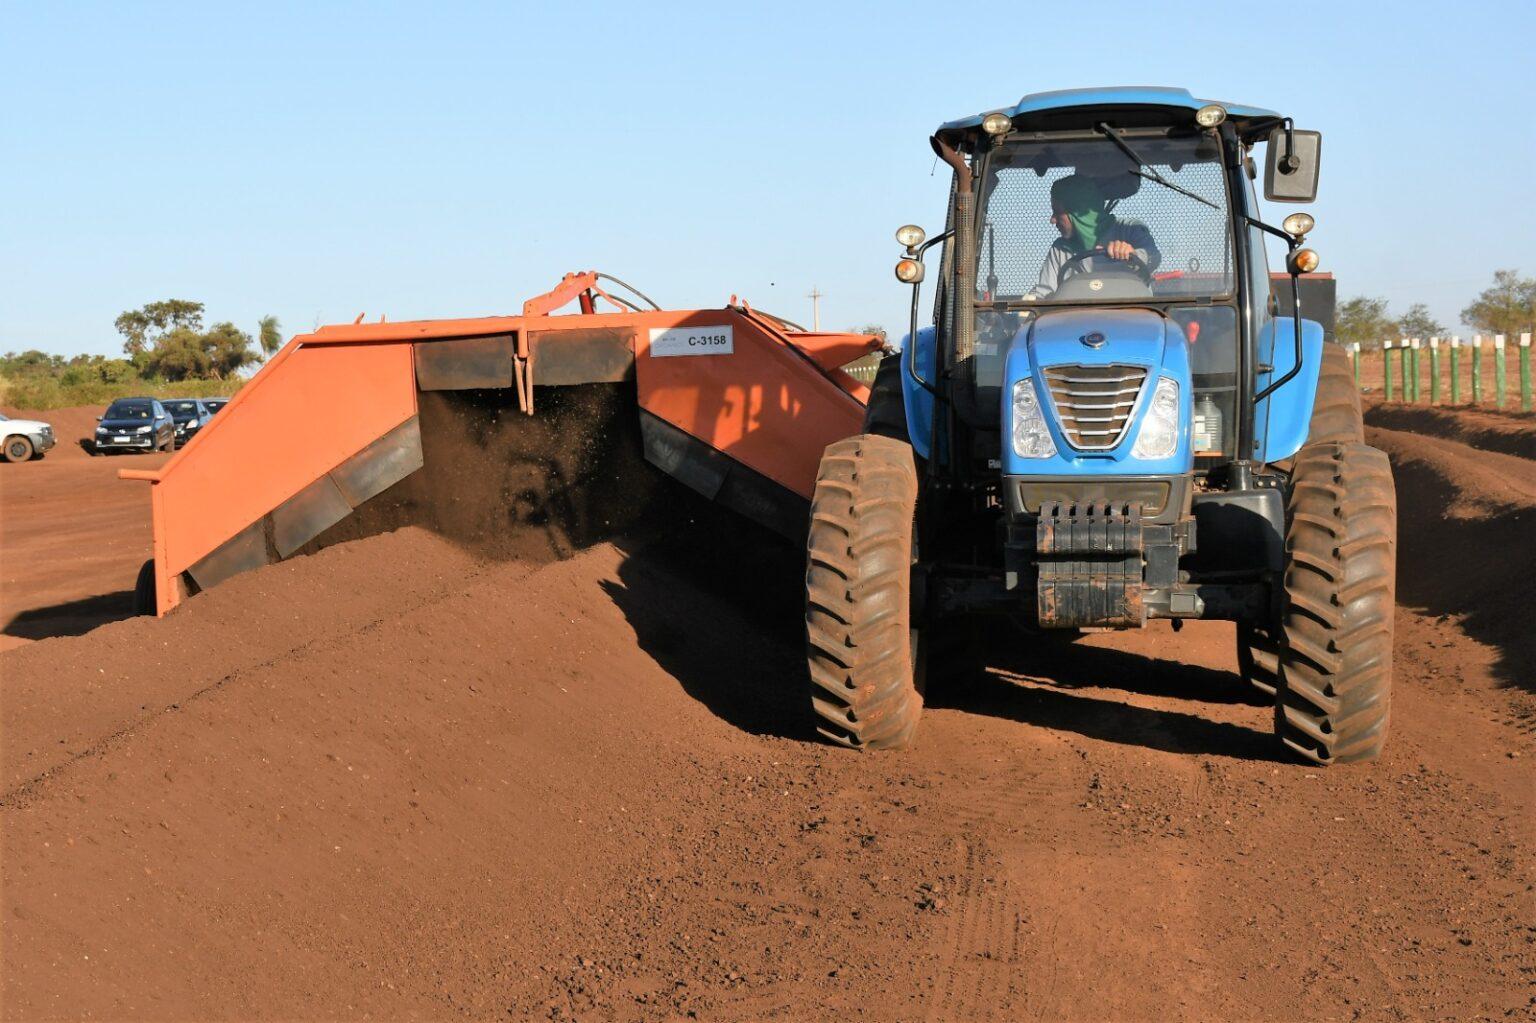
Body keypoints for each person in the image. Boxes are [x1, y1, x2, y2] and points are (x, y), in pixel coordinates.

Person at [1028, 175, 1160, 298]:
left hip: (1133, 317)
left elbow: (1153, 257)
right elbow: (1044, 294)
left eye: (1058, 212)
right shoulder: (1060, 249)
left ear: (1078, 214)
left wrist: (1133, 255)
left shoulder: (1130, 229)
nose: (1052, 220)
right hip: (1077, 321)